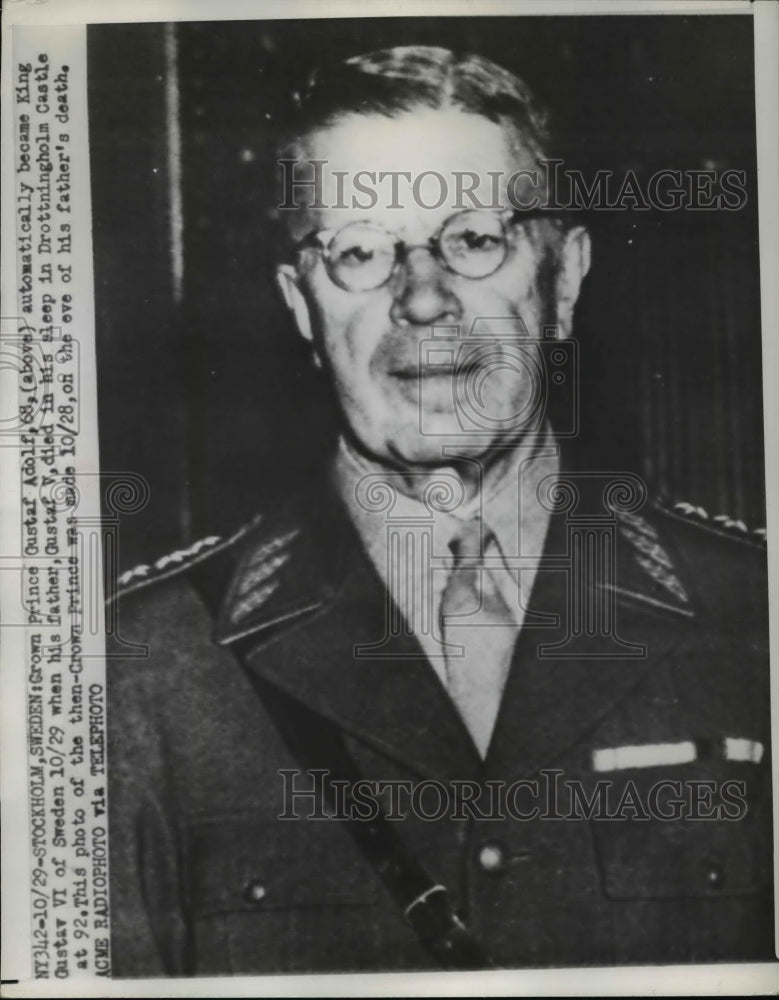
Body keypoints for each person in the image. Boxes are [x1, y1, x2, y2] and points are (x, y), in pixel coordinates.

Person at [106, 46, 772, 977]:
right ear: (303, 307)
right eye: (361, 251)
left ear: (564, 274)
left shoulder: (750, 615)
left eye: (472, 239)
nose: (421, 298)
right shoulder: (142, 668)